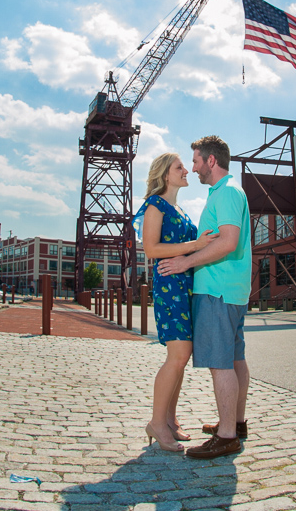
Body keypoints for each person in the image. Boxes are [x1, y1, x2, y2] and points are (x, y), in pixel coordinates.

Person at [158, 136, 252, 459]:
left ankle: (226, 436)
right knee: (236, 360)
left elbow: (227, 242)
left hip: (217, 291)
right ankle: (235, 423)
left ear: (212, 161)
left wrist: (184, 262)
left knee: (220, 364)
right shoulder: (228, 192)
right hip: (233, 291)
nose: (193, 167)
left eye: (196, 161)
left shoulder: (225, 193)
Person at [133, 152, 218, 452]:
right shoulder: (156, 204)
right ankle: (156, 422)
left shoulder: (179, 209)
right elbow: (152, 249)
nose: (186, 171)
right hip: (169, 288)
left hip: (185, 287)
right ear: (165, 175)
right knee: (178, 356)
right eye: (179, 167)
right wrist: (195, 245)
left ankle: (169, 419)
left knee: (181, 357)